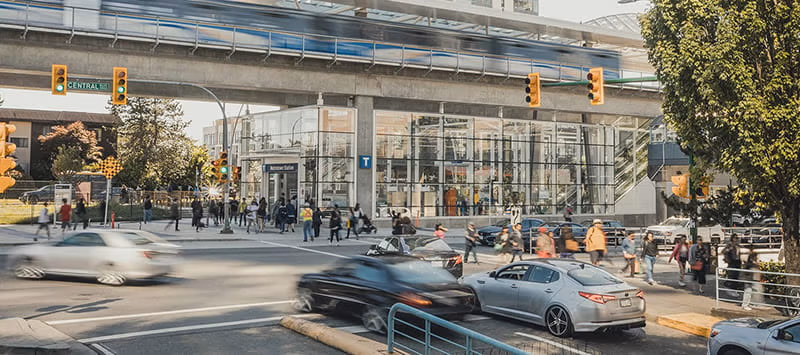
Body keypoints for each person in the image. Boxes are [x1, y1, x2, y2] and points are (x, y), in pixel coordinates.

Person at [741, 246, 762, 310]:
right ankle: (745, 305)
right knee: (748, 291)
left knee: (753, 291)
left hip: (753, 279)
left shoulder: (751, 262)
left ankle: (749, 303)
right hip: (749, 278)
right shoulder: (750, 263)